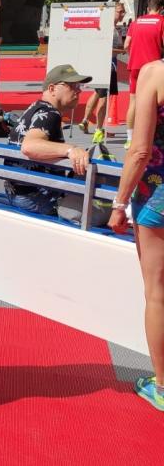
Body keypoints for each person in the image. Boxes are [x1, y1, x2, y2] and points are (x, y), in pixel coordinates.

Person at [108, 58, 164, 412]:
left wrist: (119, 203)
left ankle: (163, 386)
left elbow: (140, 149)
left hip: (158, 196)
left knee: (158, 292)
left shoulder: (155, 73)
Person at [3, 64, 92, 215]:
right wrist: (70, 150)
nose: (79, 90)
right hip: (36, 198)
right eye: (72, 86)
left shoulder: (35, 108)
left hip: (16, 192)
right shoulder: (51, 114)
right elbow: (29, 146)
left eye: (79, 86)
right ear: (52, 89)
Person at [78, 3, 126, 143]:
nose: (122, 14)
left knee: (97, 93)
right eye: (120, 11)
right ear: (112, 12)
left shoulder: (115, 28)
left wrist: (122, 46)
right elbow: (105, 48)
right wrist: (122, 50)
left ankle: (85, 121)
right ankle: (99, 129)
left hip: (106, 64)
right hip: (105, 65)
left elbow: (116, 46)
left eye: (123, 12)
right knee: (103, 97)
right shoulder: (107, 28)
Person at [124, 0, 164, 149]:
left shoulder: (136, 22)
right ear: (161, 9)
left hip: (135, 66)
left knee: (133, 101)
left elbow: (126, 44)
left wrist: (134, 55)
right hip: (153, 69)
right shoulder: (161, 21)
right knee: (153, 103)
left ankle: (129, 138)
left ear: (148, 8)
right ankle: (149, 137)